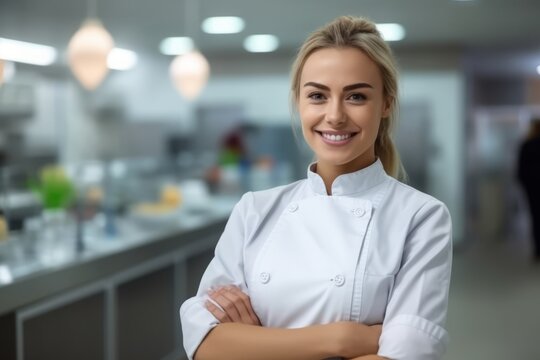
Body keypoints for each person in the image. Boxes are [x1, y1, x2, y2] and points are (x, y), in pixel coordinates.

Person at [180, 16, 452, 360]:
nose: (335, 115)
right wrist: (339, 340)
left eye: (356, 96)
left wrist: (255, 343)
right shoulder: (255, 210)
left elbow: (407, 354)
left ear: (385, 104)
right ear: (299, 102)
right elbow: (205, 345)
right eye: (317, 96)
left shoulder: (421, 217)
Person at [517, 119, 540, 262]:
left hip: (532, 188)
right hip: (532, 187)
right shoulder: (527, 144)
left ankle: (537, 249)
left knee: (535, 218)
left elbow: (520, 169)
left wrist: (525, 184)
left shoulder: (527, 144)